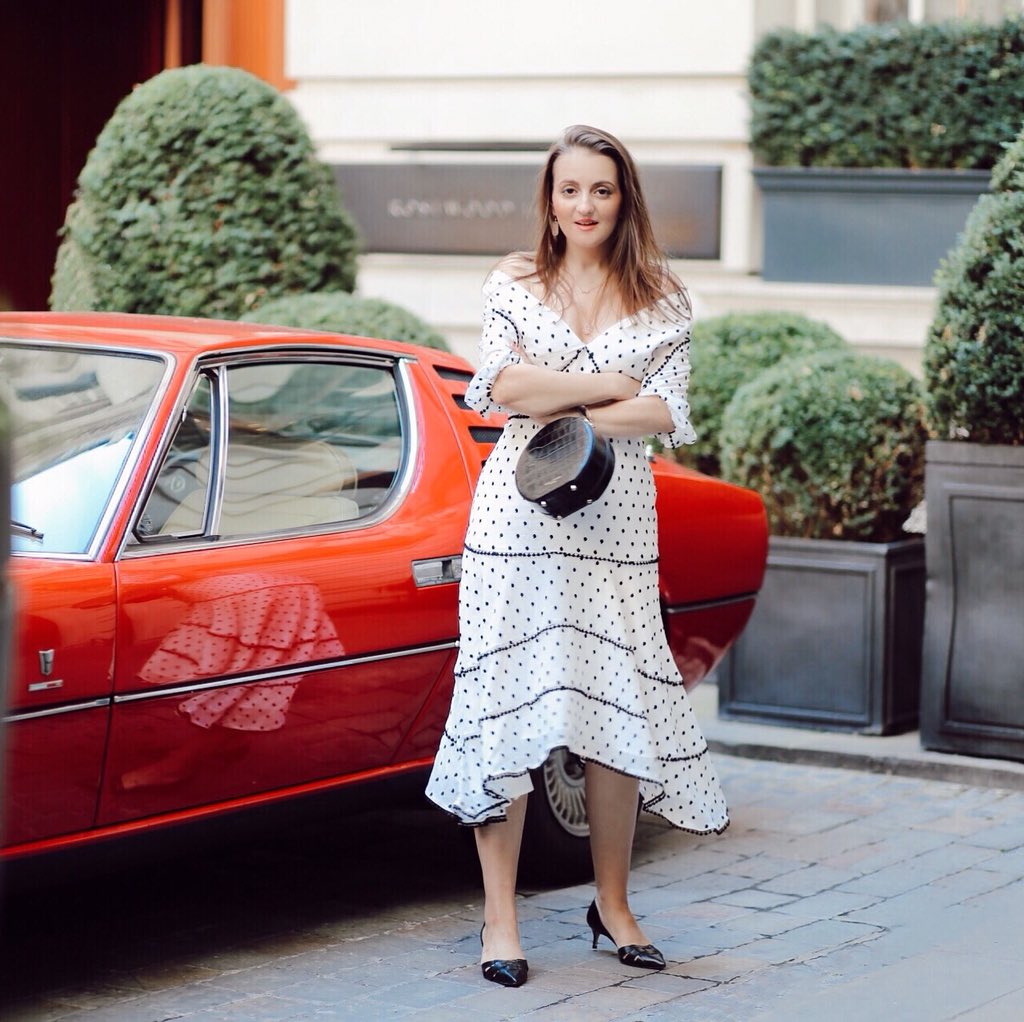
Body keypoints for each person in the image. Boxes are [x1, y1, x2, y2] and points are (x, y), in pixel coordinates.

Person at [425, 124, 728, 988]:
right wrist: (611, 388)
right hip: (516, 522)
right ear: (550, 201)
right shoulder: (515, 280)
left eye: (601, 189)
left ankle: (614, 905)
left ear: (624, 199)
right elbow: (501, 388)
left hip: (617, 528)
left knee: (615, 710)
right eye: (569, 190)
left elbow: (666, 413)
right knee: (507, 708)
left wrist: (565, 401)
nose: (584, 205)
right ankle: (500, 919)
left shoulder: (664, 295)